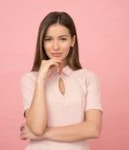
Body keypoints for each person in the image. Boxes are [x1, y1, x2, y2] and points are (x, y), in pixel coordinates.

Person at [20, 11, 103, 150]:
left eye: (63, 39)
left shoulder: (88, 78)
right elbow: (37, 127)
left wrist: (43, 134)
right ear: (42, 42)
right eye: (48, 39)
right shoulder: (30, 79)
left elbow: (93, 129)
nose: (55, 47)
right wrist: (40, 81)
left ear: (73, 41)